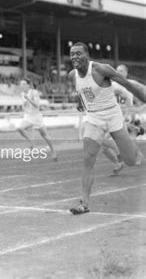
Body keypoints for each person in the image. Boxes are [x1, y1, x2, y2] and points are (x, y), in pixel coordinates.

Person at [69, 42, 146, 214]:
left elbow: (128, 85)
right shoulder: (72, 75)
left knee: (130, 161)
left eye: (78, 53)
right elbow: (81, 92)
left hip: (113, 115)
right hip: (94, 118)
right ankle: (84, 204)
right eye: (72, 54)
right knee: (88, 160)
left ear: (87, 55)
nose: (74, 57)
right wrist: (82, 105)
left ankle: (130, 134)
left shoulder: (101, 69)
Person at [16, 79, 57, 161]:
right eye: (21, 84)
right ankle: (31, 142)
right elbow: (24, 107)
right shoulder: (22, 94)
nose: (22, 86)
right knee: (19, 128)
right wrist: (23, 105)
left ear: (28, 85)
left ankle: (53, 151)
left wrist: (28, 99)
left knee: (44, 135)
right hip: (28, 116)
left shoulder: (34, 92)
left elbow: (37, 105)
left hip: (36, 117)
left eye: (24, 84)